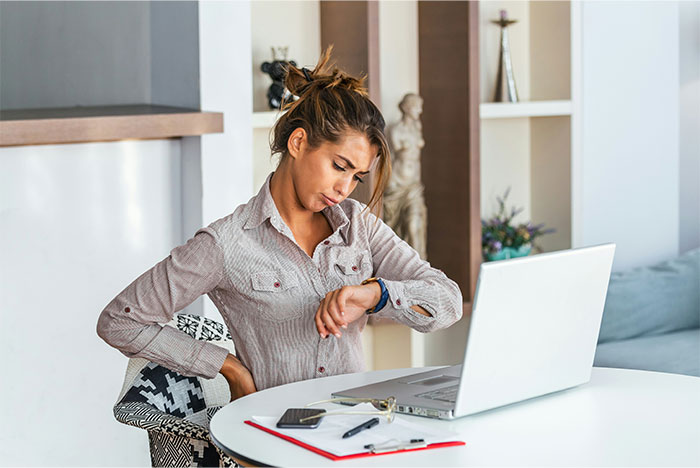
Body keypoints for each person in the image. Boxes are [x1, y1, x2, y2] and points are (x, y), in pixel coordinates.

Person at [96, 47, 463, 402]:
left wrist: (374, 295)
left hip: (352, 431)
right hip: (271, 440)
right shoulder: (227, 243)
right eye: (339, 166)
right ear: (299, 142)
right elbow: (120, 321)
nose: (344, 187)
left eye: (357, 177)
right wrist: (228, 368)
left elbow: (447, 302)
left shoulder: (358, 226)